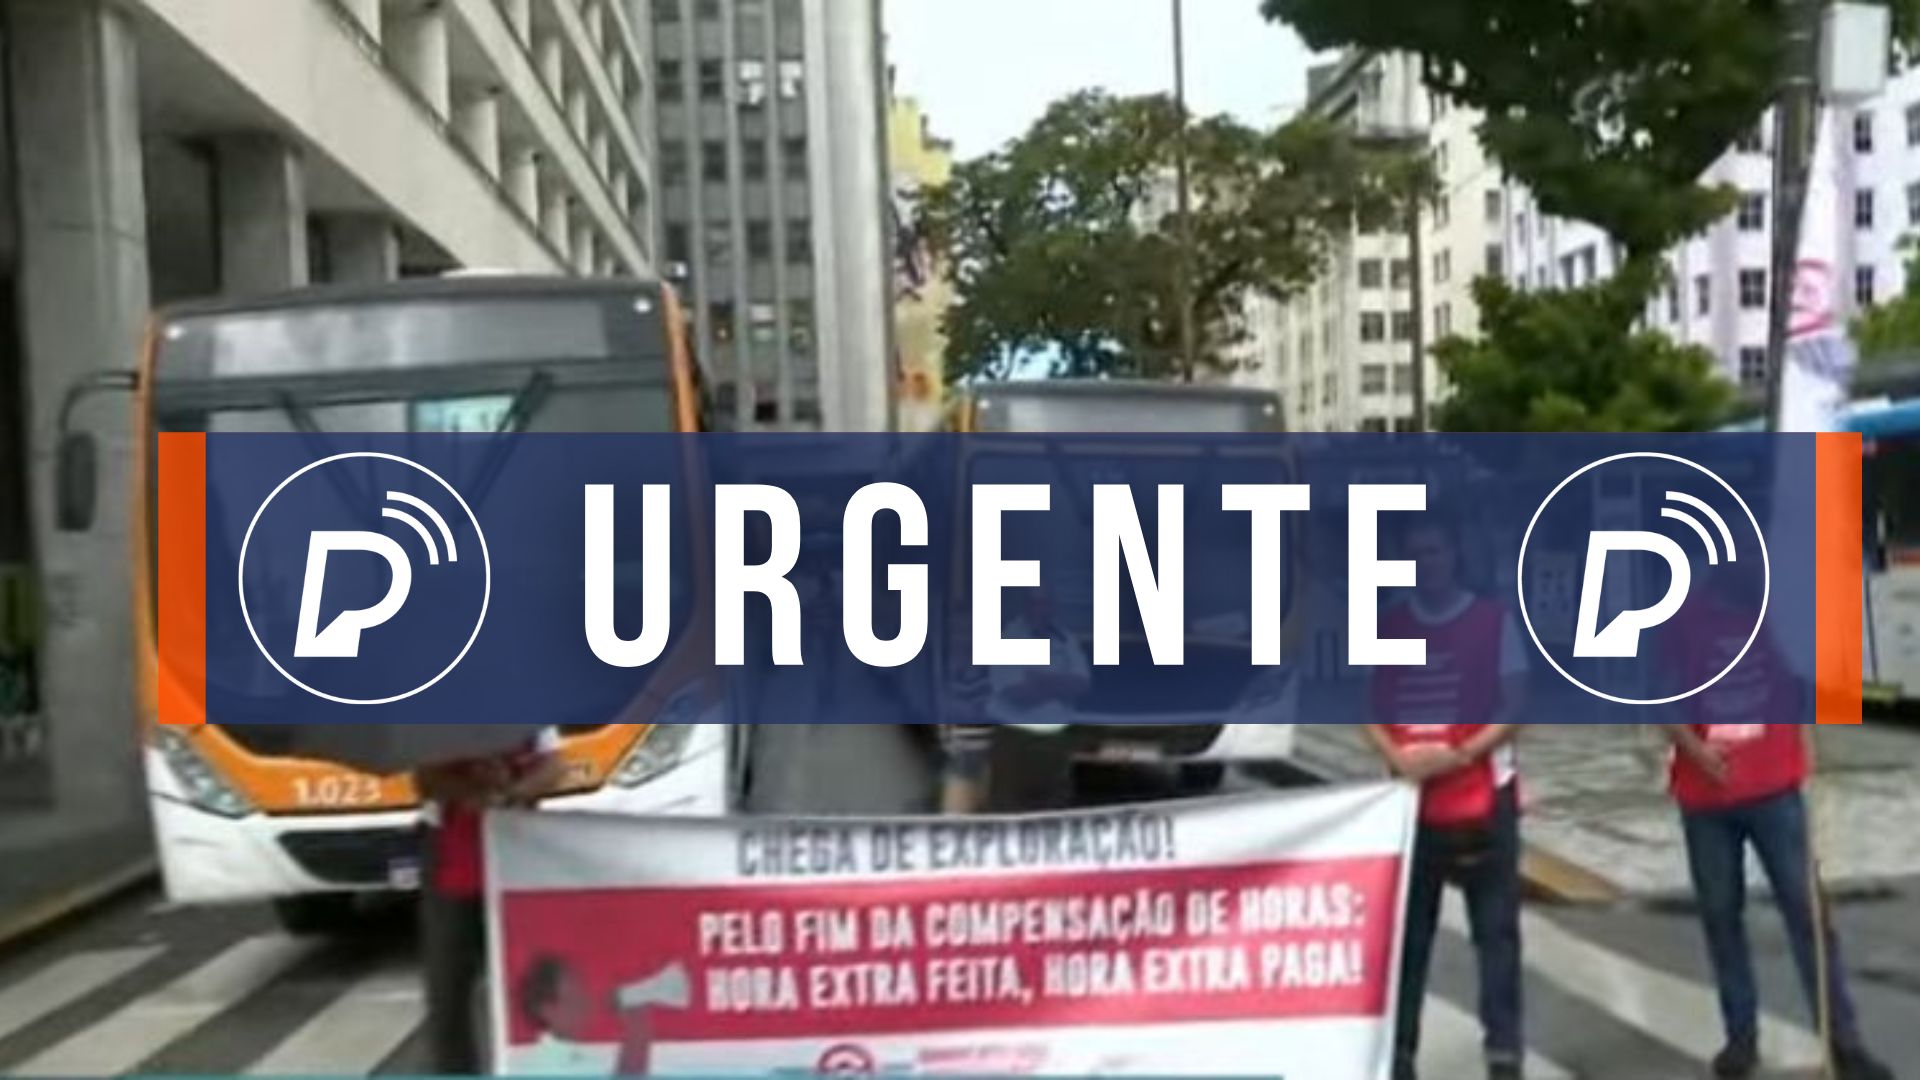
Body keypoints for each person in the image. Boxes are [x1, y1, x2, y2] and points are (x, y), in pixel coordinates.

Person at [1660, 564, 1893, 1080]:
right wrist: (1696, 751)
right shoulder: (1680, 619)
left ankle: (1844, 1042)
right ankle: (1741, 1040)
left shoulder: (1778, 612)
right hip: (1706, 798)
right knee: (1722, 918)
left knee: (1808, 916)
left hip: (1776, 790)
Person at [1362, 516, 1527, 1080]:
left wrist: (1459, 755)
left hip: (1486, 798)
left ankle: (1503, 1051)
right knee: (1410, 939)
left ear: (1454, 554)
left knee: (1496, 934)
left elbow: (1515, 705)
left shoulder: (1492, 622)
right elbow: (1369, 706)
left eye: (1435, 550)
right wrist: (1400, 759)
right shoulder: (1391, 626)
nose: (1426, 562)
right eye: (1415, 554)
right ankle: (1401, 1053)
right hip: (1412, 805)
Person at [413, 729, 566, 1076]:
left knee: (525, 977)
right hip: (453, 857)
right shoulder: (437, 707)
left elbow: (555, 766)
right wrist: (472, 791)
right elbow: (425, 780)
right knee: (449, 983)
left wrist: (511, 793)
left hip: (516, 850)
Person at [938, 588, 1091, 814]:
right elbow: (1016, 694)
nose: (1043, 609)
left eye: (1047, 603)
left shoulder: (1064, 637)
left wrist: (1042, 681)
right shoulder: (1010, 637)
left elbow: (1081, 685)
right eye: (1037, 604)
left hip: (1056, 737)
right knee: (1003, 811)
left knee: (1054, 808)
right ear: (1027, 607)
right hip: (1012, 738)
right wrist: (1059, 683)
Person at [511, 955, 684, 1076]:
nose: (585, 1000)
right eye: (574, 996)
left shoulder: (574, 1057)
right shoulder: (546, 1067)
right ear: (547, 1010)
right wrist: (637, 1036)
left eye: (582, 990)